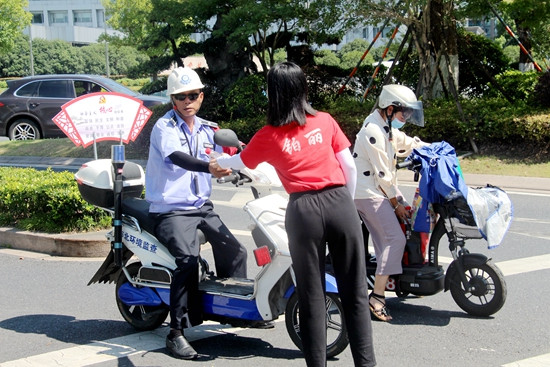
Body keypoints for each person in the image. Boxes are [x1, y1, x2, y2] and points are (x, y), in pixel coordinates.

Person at [213, 61, 376, 367]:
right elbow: (349, 166)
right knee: (355, 293)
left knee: (311, 297)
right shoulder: (326, 121)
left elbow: (239, 164)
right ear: (303, 89)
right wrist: (345, 204)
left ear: (273, 94)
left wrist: (217, 162)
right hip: (341, 202)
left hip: (303, 211)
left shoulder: (268, 135)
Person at [145, 67, 248, 360]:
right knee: (187, 262)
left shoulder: (208, 129)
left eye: (193, 95)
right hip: (172, 210)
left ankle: (228, 310)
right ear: (172, 100)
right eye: (181, 96)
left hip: (202, 207)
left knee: (236, 250)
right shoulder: (164, 127)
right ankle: (175, 332)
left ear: (201, 96)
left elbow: (232, 150)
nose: (187, 101)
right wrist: (209, 167)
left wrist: (251, 159)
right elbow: (178, 158)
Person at [353, 84, 428, 322]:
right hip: (368, 193)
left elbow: (406, 142)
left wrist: (434, 150)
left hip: (380, 190)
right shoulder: (373, 130)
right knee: (393, 238)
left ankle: (400, 279)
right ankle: (377, 296)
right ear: (389, 108)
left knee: (409, 218)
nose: (405, 118)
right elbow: (384, 175)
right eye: (403, 113)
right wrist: (395, 204)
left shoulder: (385, 127)